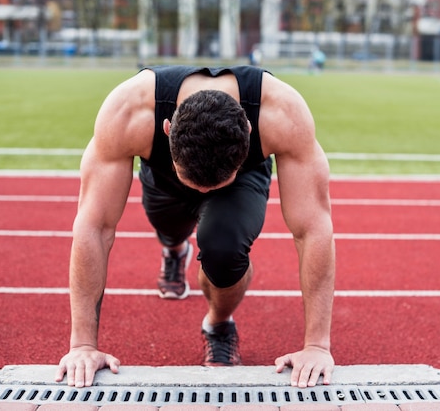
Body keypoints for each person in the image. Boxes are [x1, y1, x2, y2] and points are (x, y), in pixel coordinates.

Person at [54, 65, 336, 389]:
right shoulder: (129, 110)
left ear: (247, 130)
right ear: (167, 127)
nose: (204, 195)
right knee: (169, 228)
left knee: (223, 248)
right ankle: (175, 248)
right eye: (196, 185)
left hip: (240, 182)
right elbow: (95, 226)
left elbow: (313, 228)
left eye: (211, 187)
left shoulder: (282, 113)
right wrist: (82, 346)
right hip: (163, 181)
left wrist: (317, 346)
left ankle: (218, 325)